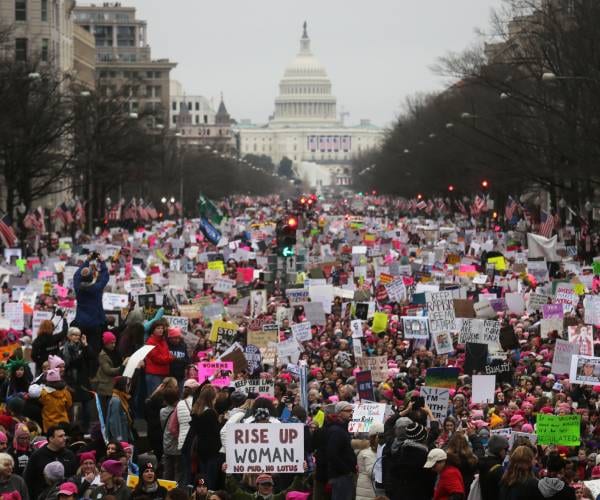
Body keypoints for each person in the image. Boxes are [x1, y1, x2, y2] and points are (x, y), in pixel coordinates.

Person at [72, 253, 110, 362]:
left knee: (81, 348)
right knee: (94, 349)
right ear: (91, 277)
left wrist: (87, 260)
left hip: (81, 323)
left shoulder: (78, 288)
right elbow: (105, 277)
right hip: (95, 324)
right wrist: (102, 262)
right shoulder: (97, 288)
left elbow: (76, 276)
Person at [24, 426, 77, 500]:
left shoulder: (69, 455)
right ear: (51, 439)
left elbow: (74, 477)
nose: (64, 438)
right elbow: (28, 480)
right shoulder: (37, 456)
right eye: (60, 436)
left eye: (64, 435)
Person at [189, 385, 222, 490]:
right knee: (211, 479)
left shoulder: (196, 412)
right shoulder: (211, 413)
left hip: (201, 448)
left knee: (203, 477)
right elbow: (216, 432)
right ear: (211, 398)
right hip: (212, 450)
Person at [324, 401, 357, 500]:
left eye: (352, 411)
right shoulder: (336, 431)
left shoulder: (342, 429)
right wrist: (346, 470)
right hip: (340, 476)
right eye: (348, 411)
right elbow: (332, 454)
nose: (351, 413)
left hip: (343, 475)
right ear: (339, 413)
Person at [94, 331, 126, 417]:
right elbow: (108, 371)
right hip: (106, 387)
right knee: (107, 411)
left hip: (114, 385)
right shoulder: (103, 355)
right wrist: (122, 367)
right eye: (111, 343)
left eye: (114, 342)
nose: (113, 345)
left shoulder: (115, 353)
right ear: (106, 343)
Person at [35, 368, 72, 432]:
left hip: (49, 425)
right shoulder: (66, 392)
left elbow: (40, 404)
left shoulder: (44, 393)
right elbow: (69, 405)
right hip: (63, 423)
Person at [144, 321, 173, 395]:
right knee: (155, 397)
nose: (161, 330)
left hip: (163, 373)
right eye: (158, 328)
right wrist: (170, 358)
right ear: (153, 330)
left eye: (162, 328)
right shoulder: (150, 342)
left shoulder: (163, 341)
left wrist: (168, 356)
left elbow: (166, 355)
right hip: (154, 374)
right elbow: (157, 359)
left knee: (162, 398)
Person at [478, 434, 509, 500]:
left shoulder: (483, 462)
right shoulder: (498, 469)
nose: (506, 453)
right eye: (506, 449)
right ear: (501, 450)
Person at [356, 422, 383, 500]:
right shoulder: (367, 453)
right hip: (368, 493)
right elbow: (372, 472)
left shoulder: (378, 451)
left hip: (371, 492)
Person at [105, 376, 134, 443]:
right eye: (127, 385)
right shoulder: (116, 400)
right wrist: (119, 439)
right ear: (122, 385)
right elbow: (114, 422)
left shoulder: (122, 397)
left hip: (124, 434)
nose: (130, 387)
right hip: (120, 438)